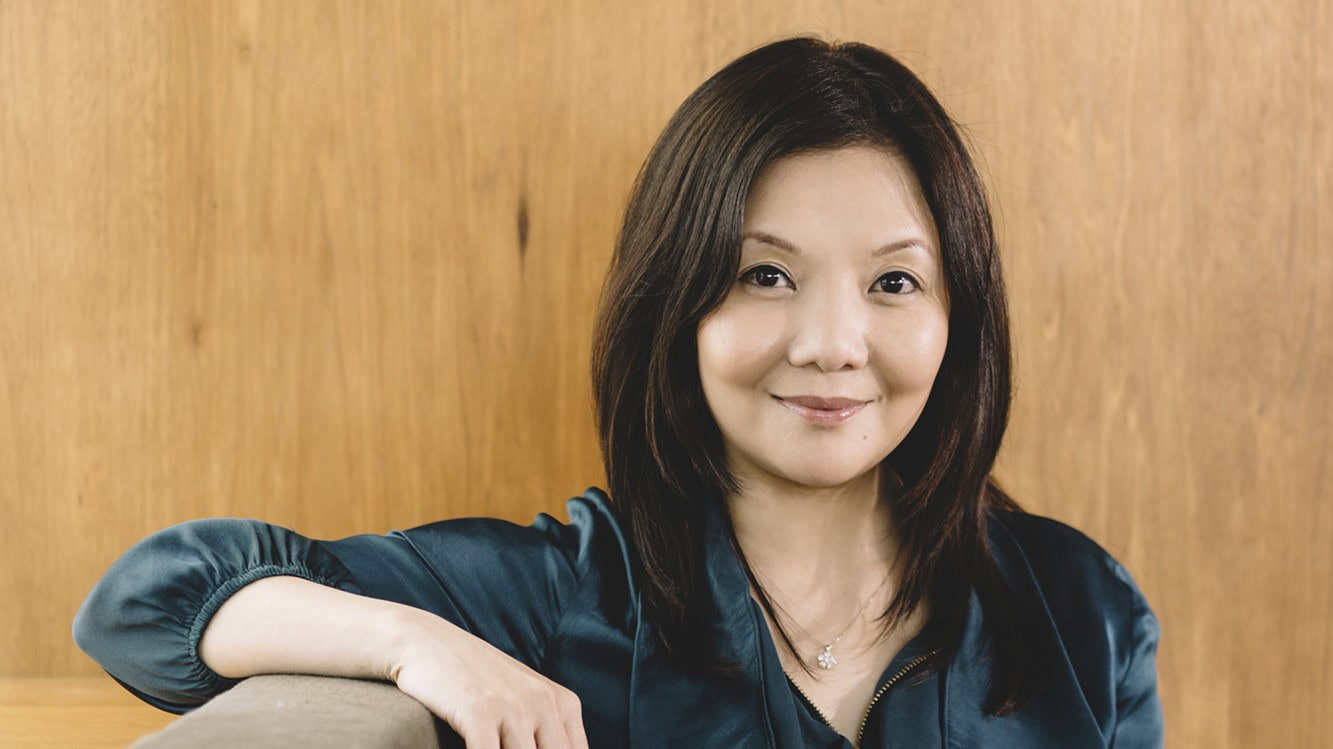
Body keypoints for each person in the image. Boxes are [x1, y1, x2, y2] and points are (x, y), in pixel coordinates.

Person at [73, 37, 1163, 748]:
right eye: (765, 275)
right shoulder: (565, 595)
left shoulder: (1084, 612)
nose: (835, 344)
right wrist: (424, 646)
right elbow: (148, 600)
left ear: (956, 315)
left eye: (892, 282)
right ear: (678, 305)